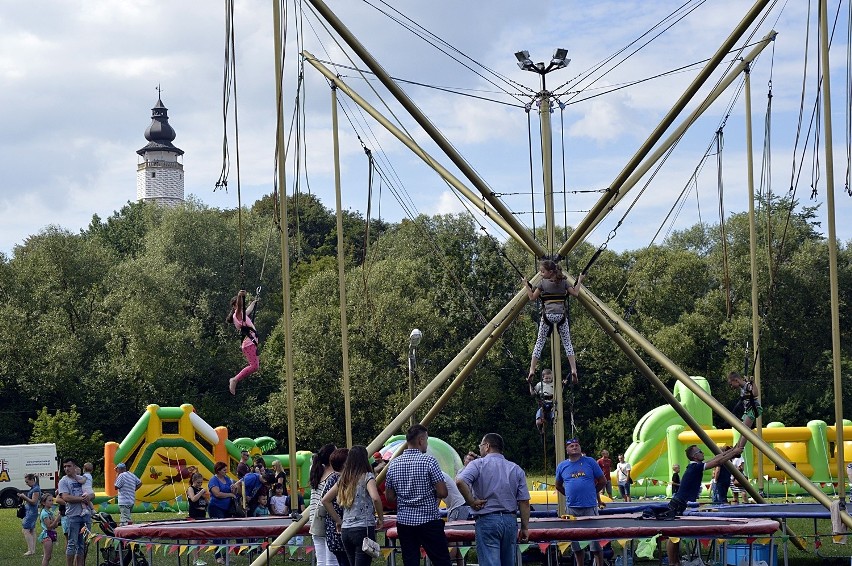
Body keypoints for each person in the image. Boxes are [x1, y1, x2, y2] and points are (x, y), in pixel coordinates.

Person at [456, 433, 531, 566]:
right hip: (510, 520)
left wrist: (471, 501)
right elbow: (524, 501)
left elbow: (460, 481)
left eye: (480, 446)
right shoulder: (516, 468)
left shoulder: (477, 464)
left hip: (487, 519)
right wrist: (525, 527)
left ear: (487, 446)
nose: (479, 449)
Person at [385, 424, 452, 566]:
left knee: (410, 561)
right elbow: (443, 492)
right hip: (429, 519)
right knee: (441, 560)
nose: (426, 443)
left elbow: (389, 497)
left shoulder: (393, 464)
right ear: (421, 440)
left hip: (404, 521)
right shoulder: (429, 461)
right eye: (426, 439)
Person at [665, 445, 742, 566]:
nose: (702, 453)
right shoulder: (695, 467)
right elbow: (718, 461)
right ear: (695, 456)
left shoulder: (695, 466)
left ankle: (676, 562)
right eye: (700, 451)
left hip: (681, 503)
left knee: (676, 535)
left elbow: (717, 457)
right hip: (678, 503)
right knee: (673, 535)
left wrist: (732, 451)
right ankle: (672, 563)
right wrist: (733, 453)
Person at [522, 259, 584, 384]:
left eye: (542, 271)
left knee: (539, 343)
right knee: (567, 343)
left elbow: (532, 298)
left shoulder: (543, 283)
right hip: (561, 316)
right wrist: (580, 280)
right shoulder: (564, 282)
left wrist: (526, 285)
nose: (540, 274)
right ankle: (574, 369)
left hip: (547, 317)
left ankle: (532, 369)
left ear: (550, 272)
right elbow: (576, 293)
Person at [321, 445, 383, 566]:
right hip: (363, 528)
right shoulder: (367, 477)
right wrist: (380, 518)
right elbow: (375, 498)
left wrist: (338, 521)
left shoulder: (343, 479)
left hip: (346, 529)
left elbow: (325, 500)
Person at [555, 438, 606, 566]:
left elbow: (602, 481)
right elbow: (558, 485)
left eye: (577, 445)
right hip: (572, 508)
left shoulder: (590, 462)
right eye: (571, 446)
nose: (574, 447)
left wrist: (593, 493)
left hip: (590, 507)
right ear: (567, 450)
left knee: (596, 543)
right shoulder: (562, 466)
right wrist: (569, 495)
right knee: (576, 544)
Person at [309, 444, 338, 566]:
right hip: (328, 520)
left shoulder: (316, 472)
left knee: (321, 560)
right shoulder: (335, 476)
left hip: (314, 519)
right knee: (332, 560)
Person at [58, 458, 90, 566]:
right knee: (72, 543)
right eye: (65, 466)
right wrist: (82, 499)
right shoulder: (63, 481)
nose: (66, 468)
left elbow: (92, 494)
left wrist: (88, 497)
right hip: (73, 516)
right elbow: (66, 497)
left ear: (75, 467)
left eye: (69, 466)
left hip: (85, 516)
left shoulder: (82, 479)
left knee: (83, 544)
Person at [227, 289, 259, 395]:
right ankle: (234, 380)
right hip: (249, 343)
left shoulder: (242, 314)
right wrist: (240, 296)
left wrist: (254, 302)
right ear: (234, 306)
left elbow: (248, 309)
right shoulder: (237, 314)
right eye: (238, 304)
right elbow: (241, 306)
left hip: (250, 343)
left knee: (255, 366)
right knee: (254, 366)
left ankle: (235, 379)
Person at [322, 448, 350, 566]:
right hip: (341, 529)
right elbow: (325, 501)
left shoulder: (331, 479)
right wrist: (339, 520)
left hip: (334, 531)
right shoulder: (340, 480)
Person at [208, 461, 237, 565]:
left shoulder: (228, 479)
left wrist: (234, 490)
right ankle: (218, 556)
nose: (226, 471)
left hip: (227, 509)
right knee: (218, 533)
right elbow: (217, 494)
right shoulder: (213, 480)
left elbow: (233, 494)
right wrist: (230, 494)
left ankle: (225, 556)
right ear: (218, 470)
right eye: (224, 470)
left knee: (226, 533)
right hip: (215, 508)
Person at [728, 371, 762, 451]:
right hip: (748, 410)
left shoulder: (747, 385)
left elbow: (755, 393)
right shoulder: (744, 386)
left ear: (736, 380)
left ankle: (740, 448)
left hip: (753, 408)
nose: (731, 387)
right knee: (743, 430)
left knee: (745, 430)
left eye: (731, 384)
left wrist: (753, 382)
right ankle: (738, 445)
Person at [186, 472, 208, 566]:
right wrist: (201, 492)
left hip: (202, 514)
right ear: (193, 481)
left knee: (199, 538)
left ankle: (198, 558)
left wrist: (205, 496)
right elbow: (193, 499)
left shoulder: (201, 489)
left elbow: (207, 502)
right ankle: (195, 559)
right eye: (198, 482)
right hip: (194, 515)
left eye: (201, 482)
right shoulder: (191, 488)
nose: (200, 484)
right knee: (194, 537)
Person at [20, 473, 41, 556]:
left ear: (32, 480)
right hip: (31, 512)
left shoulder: (35, 489)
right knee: (31, 530)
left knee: (25, 530)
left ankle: (30, 550)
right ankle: (32, 550)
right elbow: (37, 482)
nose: (26, 484)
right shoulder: (35, 486)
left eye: (27, 482)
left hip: (31, 513)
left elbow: (33, 501)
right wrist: (37, 477)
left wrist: (23, 497)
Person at [529, 369, 555, 434]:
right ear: (543, 377)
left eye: (549, 378)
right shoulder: (540, 384)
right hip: (543, 404)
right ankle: (541, 431)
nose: (548, 380)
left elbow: (560, 390)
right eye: (546, 378)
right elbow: (533, 393)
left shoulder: (554, 384)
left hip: (552, 404)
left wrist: (563, 383)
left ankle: (554, 430)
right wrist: (530, 384)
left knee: (554, 419)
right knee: (538, 421)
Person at [38, 492, 60, 566]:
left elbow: (55, 525)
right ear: (44, 503)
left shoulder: (49, 512)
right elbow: (49, 526)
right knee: (47, 557)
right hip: (46, 536)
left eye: (52, 500)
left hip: (50, 534)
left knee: (49, 556)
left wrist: (55, 521)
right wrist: (57, 519)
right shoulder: (44, 513)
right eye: (49, 501)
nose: (51, 502)